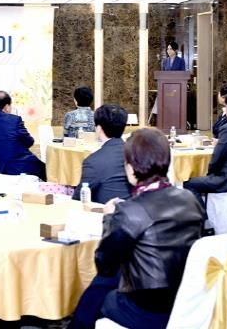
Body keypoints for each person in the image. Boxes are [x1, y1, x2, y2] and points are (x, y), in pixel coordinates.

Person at [68, 128, 205, 329]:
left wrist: (109, 217)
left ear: (131, 168)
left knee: (101, 287)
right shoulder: (190, 199)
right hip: (187, 296)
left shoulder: (130, 211)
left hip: (148, 309)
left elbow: (105, 263)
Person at [0, 90, 46, 181]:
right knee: (49, 170)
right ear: (6, 107)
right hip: (21, 166)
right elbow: (29, 142)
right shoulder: (15, 120)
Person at [72, 104, 131, 204]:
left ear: (98, 128)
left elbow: (79, 198)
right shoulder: (135, 153)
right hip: (135, 208)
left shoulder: (93, 161)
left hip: (105, 211)